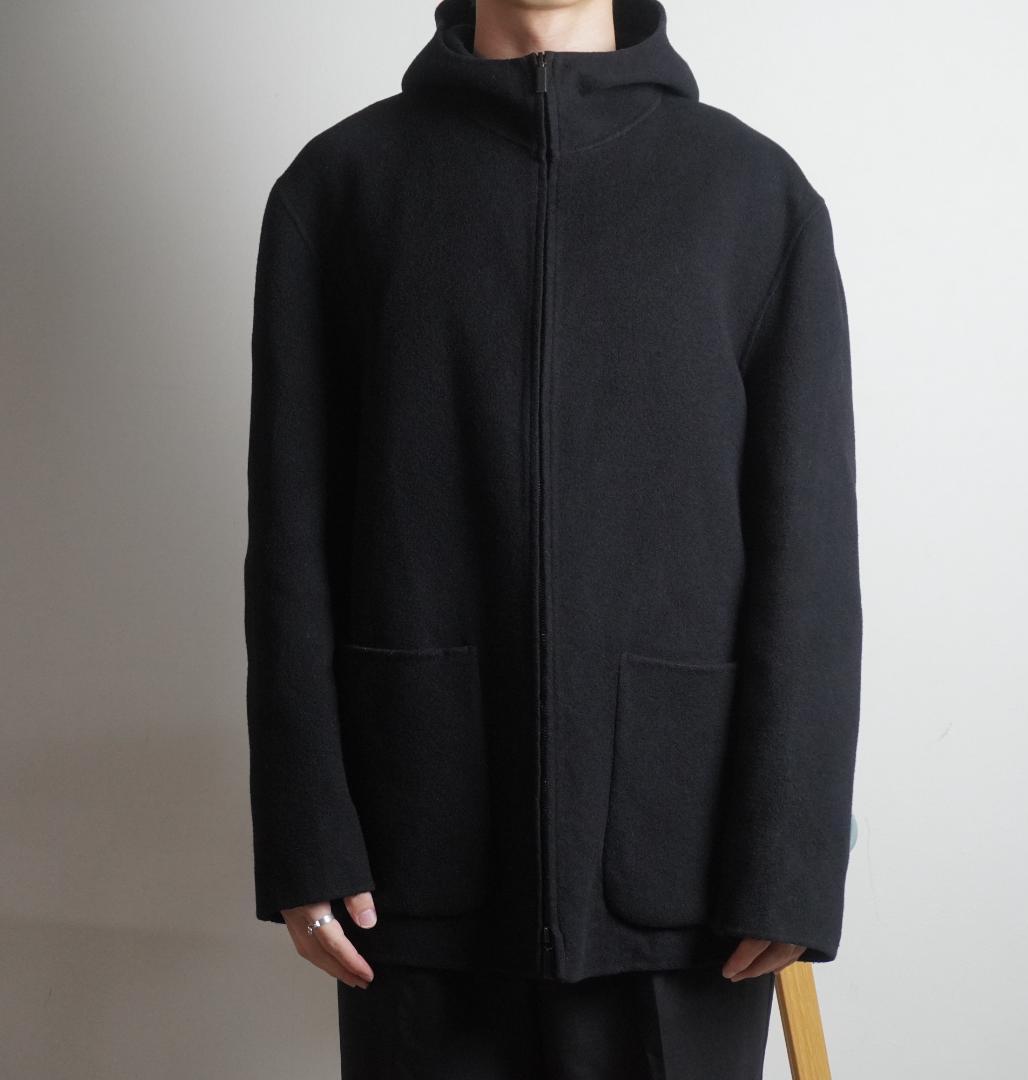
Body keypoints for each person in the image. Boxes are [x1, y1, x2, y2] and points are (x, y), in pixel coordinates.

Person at [243, 0, 863, 1076]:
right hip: (413, 861)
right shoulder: (340, 189)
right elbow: (290, 539)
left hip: (688, 876)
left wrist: (791, 859)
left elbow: (808, 548)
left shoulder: (754, 196)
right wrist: (306, 830)